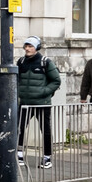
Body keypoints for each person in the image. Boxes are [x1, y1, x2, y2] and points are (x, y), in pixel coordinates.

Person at [16, 36, 62, 168]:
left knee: (45, 130)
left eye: (30, 46)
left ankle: (47, 158)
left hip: (42, 103)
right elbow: (16, 79)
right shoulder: (21, 61)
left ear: (36, 48)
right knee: (19, 129)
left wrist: (43, 91)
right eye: (26, 46)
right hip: (25, 103)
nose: (27, 49)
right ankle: (19, 154)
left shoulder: (45, 62)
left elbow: (56, 81)